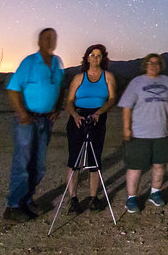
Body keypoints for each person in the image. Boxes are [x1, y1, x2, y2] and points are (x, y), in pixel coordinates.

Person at [4, 27, 65, 221]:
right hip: (28, 120)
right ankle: (13, 206)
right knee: (23, 163)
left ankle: (27, 199)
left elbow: (60, 87)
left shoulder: (57, 63)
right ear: (39, 41)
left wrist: (57, 108)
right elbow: (13, 89)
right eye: (46, 38)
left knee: (38, 165)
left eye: (53, 38)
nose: (50, 41)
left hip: (46, 120)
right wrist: (22, 114)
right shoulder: (29, 62)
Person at [118, 53, 168, 214]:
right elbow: (126, 107)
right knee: (135, 167)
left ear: (161, 65)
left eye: (157, 63)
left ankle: (155, 192)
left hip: (161, 133)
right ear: (145, 65)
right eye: (150, 63)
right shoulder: (137, 82)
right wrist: (126, 128)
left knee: (160, 165)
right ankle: (131, 198)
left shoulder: (166, 81)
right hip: (140, 134)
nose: (153, 65)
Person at [63, 44, 118, 213]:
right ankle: (73, 198)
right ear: (87, 58)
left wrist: (99, 112)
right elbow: (69, 101)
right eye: (92, 55)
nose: (95, 58)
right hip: (78, 118)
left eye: (98, 55)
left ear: (103, 58)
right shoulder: (79, 78)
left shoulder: (108, 77)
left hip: (98, 118)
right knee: (74, 159)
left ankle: (93, 197)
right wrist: (75, 115)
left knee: (95, 158)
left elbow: (112, 98)